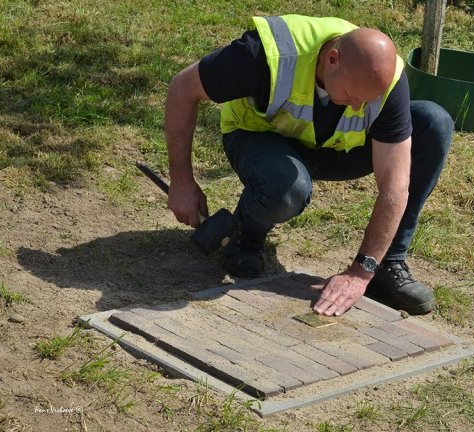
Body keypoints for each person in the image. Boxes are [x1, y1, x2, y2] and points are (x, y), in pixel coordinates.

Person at [164, 15, 453, 318]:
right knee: (287, 188)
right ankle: (245, 235)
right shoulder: (267, 54)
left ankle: (386, 263)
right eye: (353, 96)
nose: (358, 107)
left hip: (333, 147)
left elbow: (395, 185)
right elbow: (183, 88)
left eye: (367, 101)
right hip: (261, 141)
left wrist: (361, 272)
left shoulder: (385, 79)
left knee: (433, 123)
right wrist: (182, 181)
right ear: (332, 60)